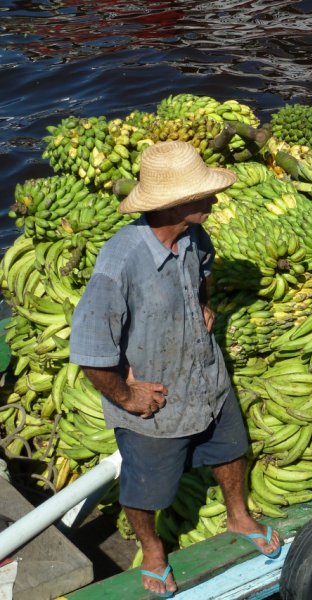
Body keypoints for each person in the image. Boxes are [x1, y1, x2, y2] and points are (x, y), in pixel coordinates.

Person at [69, 141, 281, 598]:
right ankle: (153, 551)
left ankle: (238, 515)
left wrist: (202, 305)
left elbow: (203, 268)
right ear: (173, 204)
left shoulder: (192, 236)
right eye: (203, 194)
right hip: (156, 401)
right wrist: (128, 396)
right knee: (147, 488)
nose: (215, 198)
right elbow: (89, 349)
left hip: (205, 375)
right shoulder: (121, 262)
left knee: (230, 450)